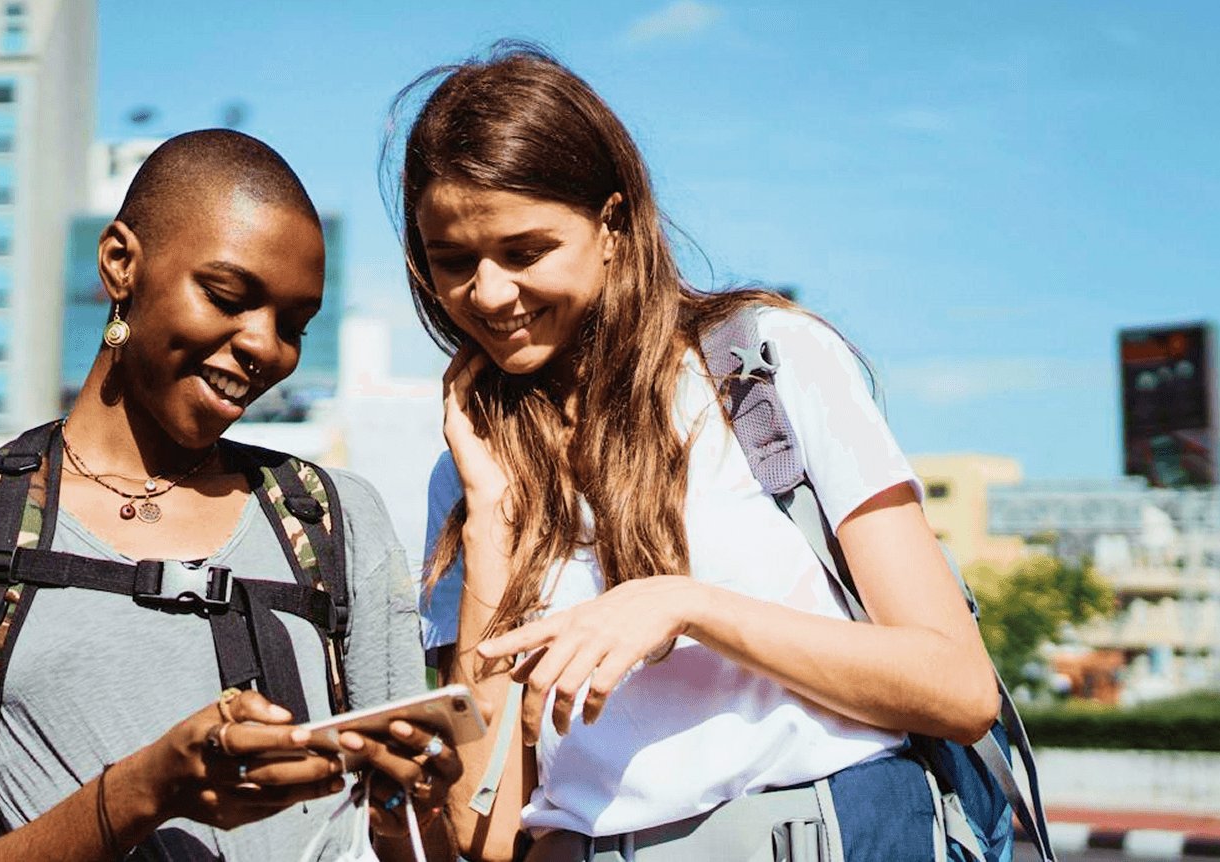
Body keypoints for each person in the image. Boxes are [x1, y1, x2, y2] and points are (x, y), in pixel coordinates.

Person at [392, 46, 1002, 861]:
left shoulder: (766, 367)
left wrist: (688, 606)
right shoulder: (470, 474)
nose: (490, 293)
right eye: (453, 262)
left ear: (611, 225)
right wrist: (490, 521)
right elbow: (483, 828)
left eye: (525, 251)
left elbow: (958, 689)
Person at [0, 129, 461, 861]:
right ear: (120, 263)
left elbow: (415, 840)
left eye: (294, 325)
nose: (266, 347)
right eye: (227, 295)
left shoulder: (336, 521)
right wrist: (147, 789)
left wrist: (413, 803)